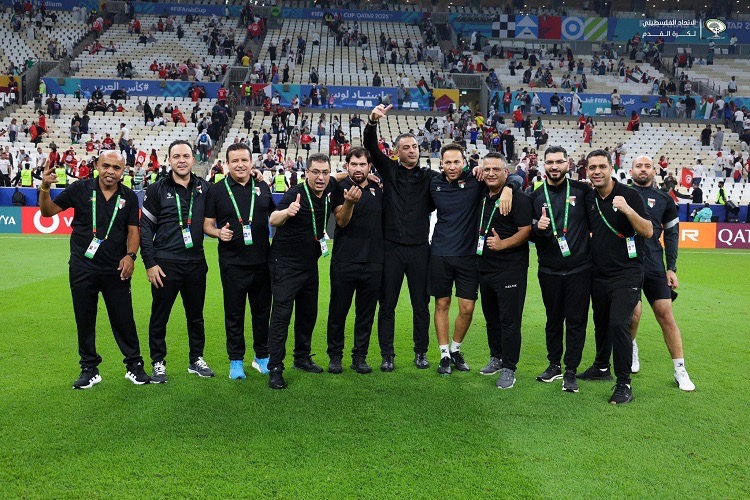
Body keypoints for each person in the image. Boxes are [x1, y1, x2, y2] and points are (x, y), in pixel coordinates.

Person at [38, 150, 150, 388]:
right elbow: (47, 212)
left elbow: (133, 231)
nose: (110, 171)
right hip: (82, 267)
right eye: (106, 166)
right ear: (97, 165)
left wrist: (131, 256)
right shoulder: (80, 189)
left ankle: (134, 365)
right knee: (85, 318)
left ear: (123, 171)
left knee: (124, 319)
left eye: (116, 168)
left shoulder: (129, 196)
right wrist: (45, 187)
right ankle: (89, 368)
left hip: (116, 269)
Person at [578, 149, 653, 404]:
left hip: (627, 272)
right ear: (587, 171)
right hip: (598, 272)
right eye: (592, 167)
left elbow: (648, 231)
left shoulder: (630, 195)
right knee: (601, 323)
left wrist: (628, 210)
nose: (597, 171)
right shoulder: (588, 197)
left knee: (619, 323)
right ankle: (601, 367)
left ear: (611, 168)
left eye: (602, 166)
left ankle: (624, 383)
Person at [140, 140, 215, 383]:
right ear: (169, 160)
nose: (181, 160)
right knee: (160, 316)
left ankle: (196, 359)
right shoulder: (156, 190)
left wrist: (255, 176)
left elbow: (228, 196)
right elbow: (145, 229)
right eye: (176, 156)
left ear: (193, 159)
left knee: (196, 316)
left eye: (186, 156)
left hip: (196, 263)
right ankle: (158, 362)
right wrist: (150, 263)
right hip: (165, 265)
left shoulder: (206, 188)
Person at [267, 154, 338, 389]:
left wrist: (366, 175)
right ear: (306, 172)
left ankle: (301, 358)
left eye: (325, 172)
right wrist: (288, 212)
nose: (321, 177)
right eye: (315, 172)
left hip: (309, 264)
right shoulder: (294, 194)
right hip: (285, 264)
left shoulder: (328, 187)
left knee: (308, 313)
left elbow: (340, 176)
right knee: (281, 316)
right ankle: (275, 368)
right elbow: (273, 219)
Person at [203, 143, 274, 379]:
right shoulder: (217, 190)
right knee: (234, 314)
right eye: (235, 161)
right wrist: (217, 233)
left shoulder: (262, 186)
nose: (240, 165)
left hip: (262, 262)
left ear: (252, 162)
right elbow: (207, 224)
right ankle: (236, 361)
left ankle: (261, 357)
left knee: (262, 312)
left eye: (244, 160)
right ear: (227, 164)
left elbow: (274, 216)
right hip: (232, 263)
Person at [529, 146, 593, 393]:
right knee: (553, 320)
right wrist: (537, 226)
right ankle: (554, 364)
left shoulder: (582, 191)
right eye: (549, 162)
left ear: (568, 164)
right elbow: (526, 229)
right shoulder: (535, 195)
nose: (554, 166)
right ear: (543, 165)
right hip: (549, 270)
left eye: (559, 162)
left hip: (580, 269)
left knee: (576, 322)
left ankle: (571, 371)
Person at [629, 156, 695, 391]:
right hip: (628, 265)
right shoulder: (621, 194)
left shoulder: (665, 199)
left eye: (647, 166)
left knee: (666, 315)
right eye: (639, 166)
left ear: (654, 170)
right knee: (633, 315)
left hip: (655, 265)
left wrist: (671, 268)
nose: (643, 170)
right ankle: (631, 348)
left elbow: (672, 235)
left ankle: (680, 370)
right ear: (631, 170)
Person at [477, 152, 532, 389]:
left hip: (510, 268)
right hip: (484, 267)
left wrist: (503, 245)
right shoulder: (480, 193)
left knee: (509, 320)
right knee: (491, 318)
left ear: (505, 172)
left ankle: (509, 367)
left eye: (496, 169)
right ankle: (496, 357)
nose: (491, 173)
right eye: (487, 169)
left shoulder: (518, 198)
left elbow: (525, 231)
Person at [326, 147, 382, 374]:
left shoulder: (379, 188)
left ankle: (360, 357)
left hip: (374, 261)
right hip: (344, 261)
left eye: (362, 165)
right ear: (346, 166)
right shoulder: (339, 188)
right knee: (338, 311)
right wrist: (349, 202)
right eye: (354, 164)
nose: (358, 169)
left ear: (370, 166)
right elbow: (340, 221)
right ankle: (335, 356)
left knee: (366, 314)